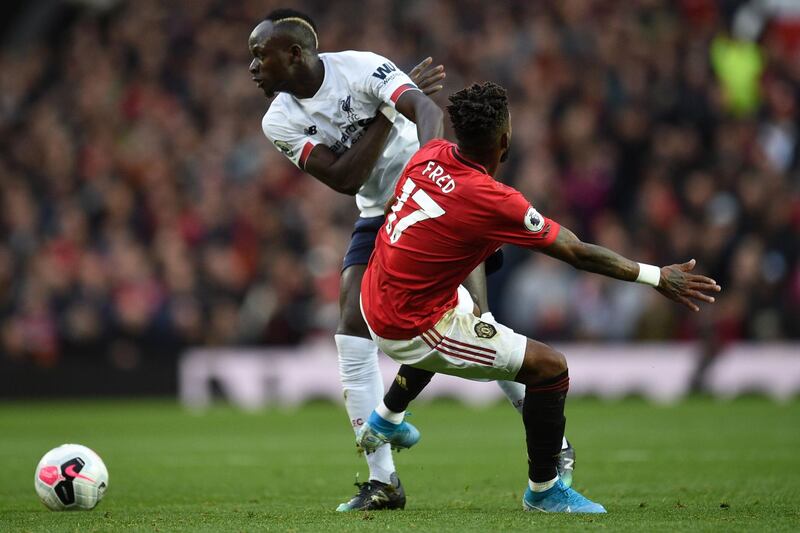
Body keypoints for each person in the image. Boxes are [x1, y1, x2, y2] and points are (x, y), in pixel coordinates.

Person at [248, 9, 577, 511]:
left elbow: (426, 110)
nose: (252, 66)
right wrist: (384, 116)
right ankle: (383, 482)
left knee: (478, 322)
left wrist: (435, 174)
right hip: (378, 208)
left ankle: (553, 449)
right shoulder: (278, 119)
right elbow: (344, 179)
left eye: (259, 54)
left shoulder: (360, 69)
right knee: (349, 329)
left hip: (434, 197)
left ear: (293, 54)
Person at [357, 82, 722, 513]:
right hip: (408, 324)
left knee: (469, 310)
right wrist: (657, 276)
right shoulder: (494, 200)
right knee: (550, 369)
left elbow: (428, 125)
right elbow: (576, 251)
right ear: (505, 140)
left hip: (377, 289)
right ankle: (545, 489)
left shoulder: (429, 153)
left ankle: (387, 417)